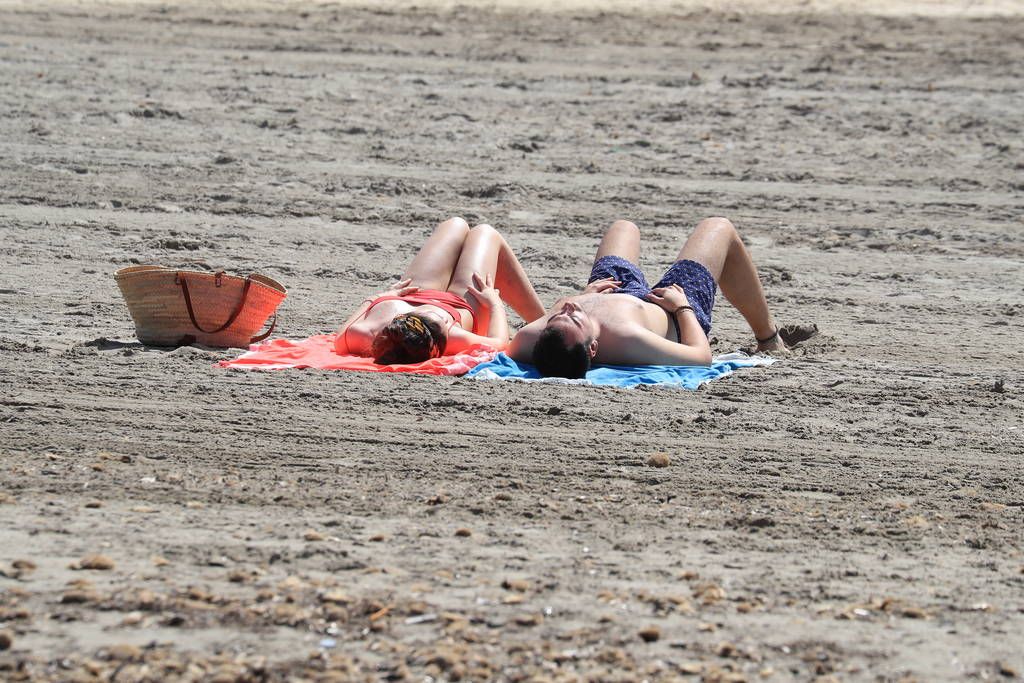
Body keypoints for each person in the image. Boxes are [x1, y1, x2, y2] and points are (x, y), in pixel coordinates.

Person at [508, 217, 787, 378]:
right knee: (720, 227)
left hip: (612, 288)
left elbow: (509, 343)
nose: (567, 307)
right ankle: (769, 338)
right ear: (593, 348)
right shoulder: (627, 337)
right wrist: (684, 309)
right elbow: (702, 356)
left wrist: (584, 300)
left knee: (623, 227)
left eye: (557, 316)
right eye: (574, 318)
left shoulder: (529, 341)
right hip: (671, 307)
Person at [336, 217, 545, 364]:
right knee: (485, 232)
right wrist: (494, 303)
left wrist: (377, 298)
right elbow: (499, 344)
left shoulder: (361, 334)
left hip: (416, 292)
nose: (443, 320)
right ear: (435, 348)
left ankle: (545, 322)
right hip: (461, 304)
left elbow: (340, 339)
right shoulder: (454, 339)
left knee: (456, 224)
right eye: (443, 325)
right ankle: (543, 323)